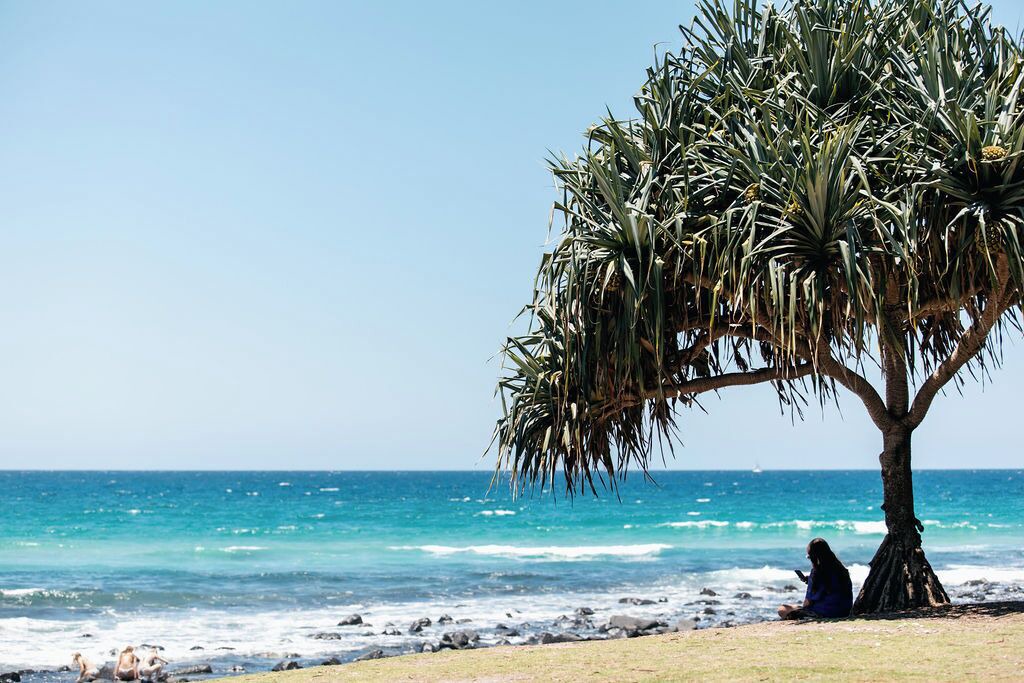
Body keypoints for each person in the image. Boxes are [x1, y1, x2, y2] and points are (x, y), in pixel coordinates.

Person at [778, 537, 853, 619]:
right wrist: (810, 581)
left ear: (814, 557)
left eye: (809, 557)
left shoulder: (817, 574)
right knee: (794, 607)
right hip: (844, 612)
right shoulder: (841, 570)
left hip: (825, 614)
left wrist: (811, 582)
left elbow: (807, 604)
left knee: (782, 609)